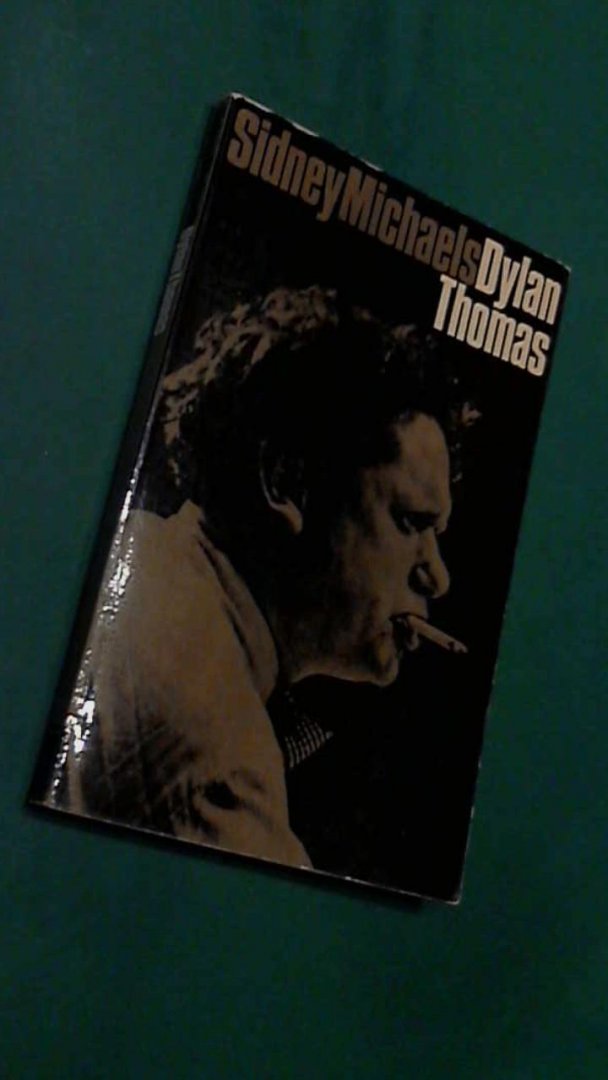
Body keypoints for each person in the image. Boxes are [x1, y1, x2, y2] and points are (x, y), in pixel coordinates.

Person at [63, 286, 469, 870]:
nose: (438, 578)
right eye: (409, 522)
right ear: (286, 481)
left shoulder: (147, 557)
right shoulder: (217, 748)